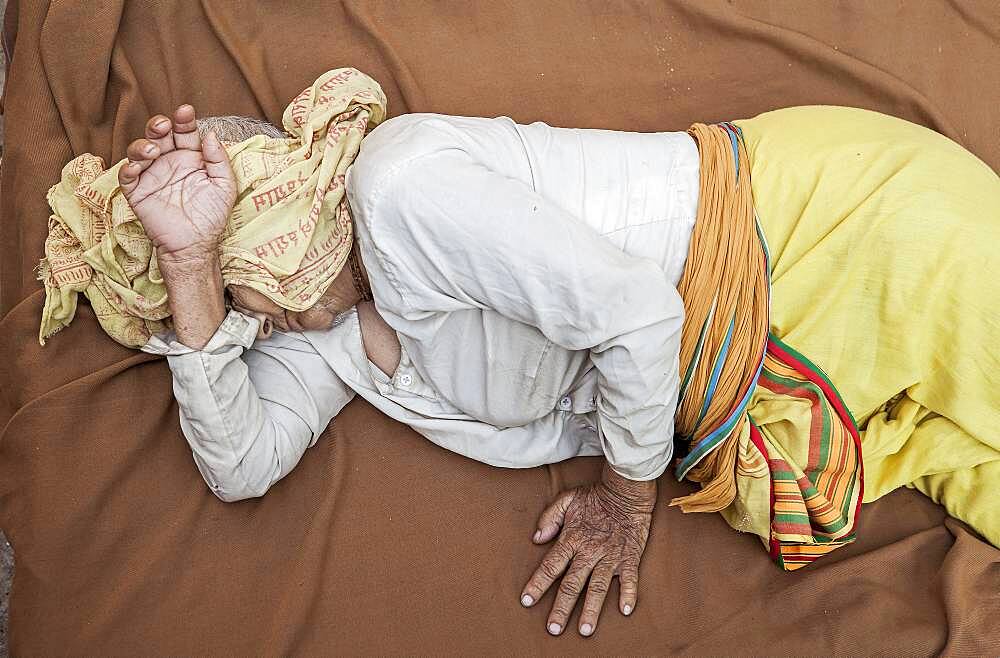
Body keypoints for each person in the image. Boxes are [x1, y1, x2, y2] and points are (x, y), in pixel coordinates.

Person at [40, 70, 1000, 638]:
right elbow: (240, 468)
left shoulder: (398, 184)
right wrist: (189, 265)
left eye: (240, 286)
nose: (253, 325)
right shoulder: (324, 336)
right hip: (766, 361)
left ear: (283, 228)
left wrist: (628, 502)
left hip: (825, 225)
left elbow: (639, 317)